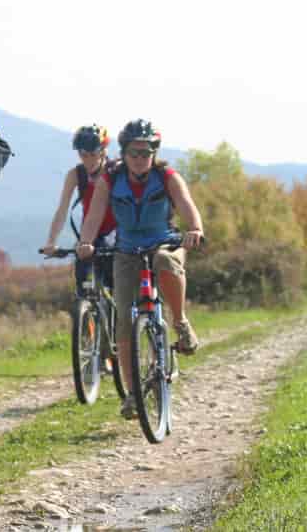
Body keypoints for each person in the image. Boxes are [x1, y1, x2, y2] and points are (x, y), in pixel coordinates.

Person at [76, 119, 204, 420]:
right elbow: (94, 216)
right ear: (124, 152)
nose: (140, 159)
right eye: (134, 153)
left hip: (164, 241)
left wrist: (195, 229)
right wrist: (85, 242)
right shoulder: (111, 179)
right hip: (127, 249)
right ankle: (134, 394)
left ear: (154, 153)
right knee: (123, 321)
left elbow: (187, 206)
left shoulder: (167, 176)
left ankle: (181, 324)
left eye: (146, 152)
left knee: (165, 262)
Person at [41, 124, 118, 297]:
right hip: (89, 233)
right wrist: (51, 242)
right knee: (83, 272)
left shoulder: (115, 171)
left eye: (93, 154)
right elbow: (62, 210)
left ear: (103, 151)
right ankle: (86, 313)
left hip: (116, 231)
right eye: (83, 155)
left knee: (115, 279)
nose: (88, 160)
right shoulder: (76, 175)